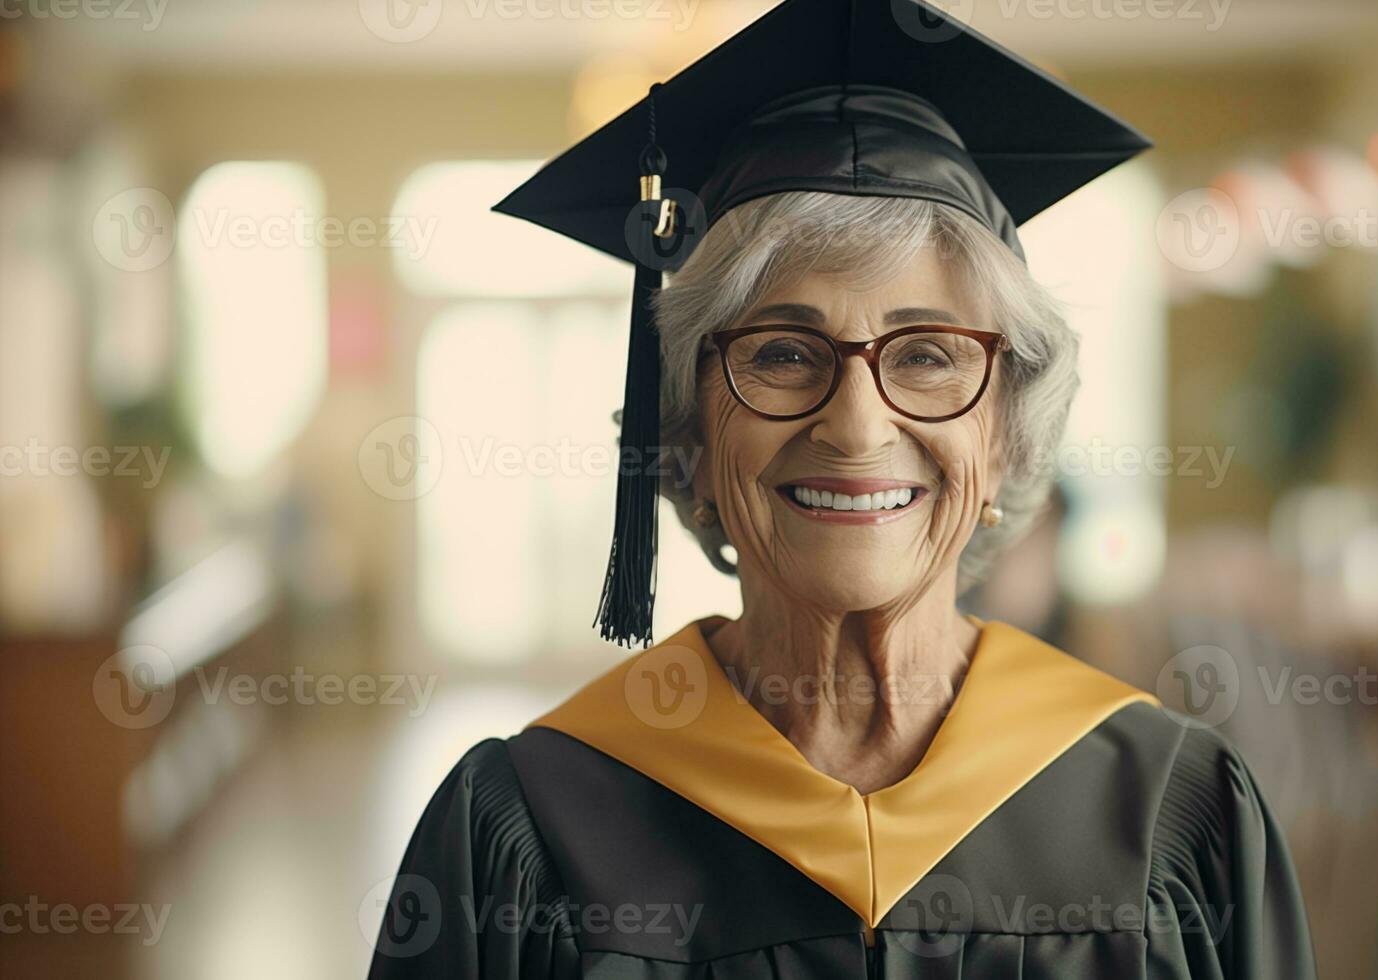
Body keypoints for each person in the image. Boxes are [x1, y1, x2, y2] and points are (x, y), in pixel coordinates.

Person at [368, 0, 1317, 976]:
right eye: (781, 352)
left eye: (928, 355)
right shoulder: (535, 828)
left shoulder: (1171, 812)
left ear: (1003, 437)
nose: (857, 423)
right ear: (687, 436)